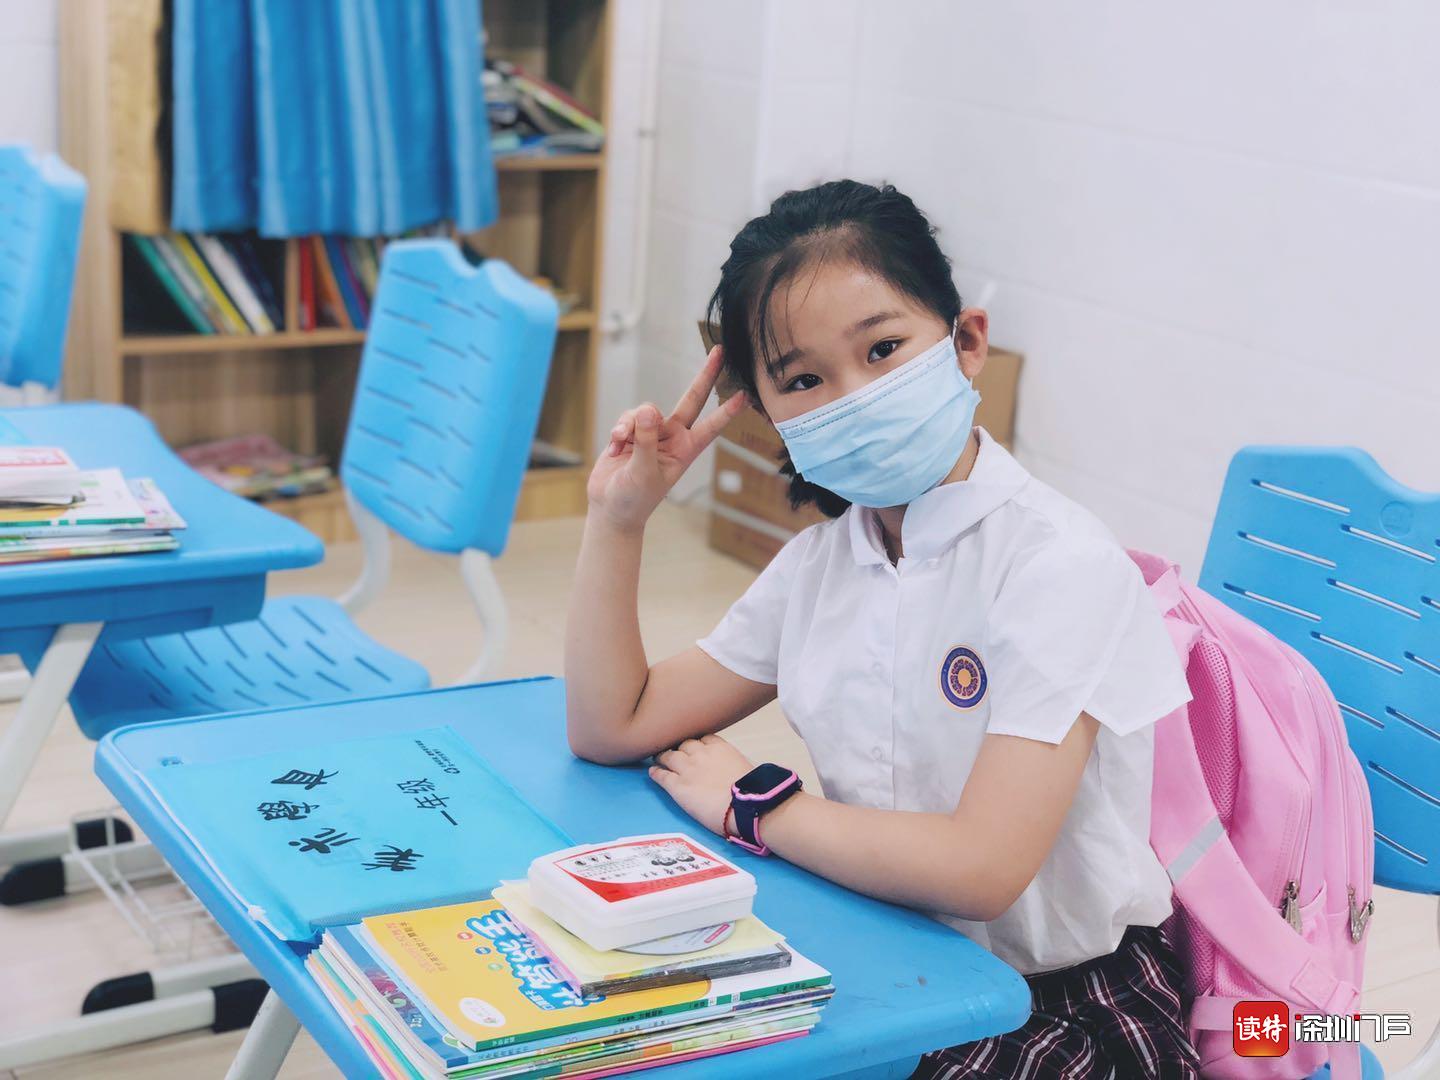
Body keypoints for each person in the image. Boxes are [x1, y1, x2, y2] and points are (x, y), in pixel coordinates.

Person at [565, 179, 1200, 1078]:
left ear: (967, 342)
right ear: (770, 417)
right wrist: (618, 520)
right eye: (803, 379)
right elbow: (613, 723)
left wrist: (757, 803)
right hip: (887, 960)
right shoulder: (824, 563)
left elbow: (982, 870)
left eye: (884, 348)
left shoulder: (1058, 564)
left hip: (1054, 1005)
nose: (855, 395)